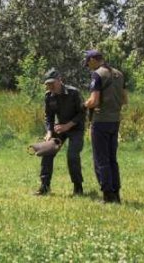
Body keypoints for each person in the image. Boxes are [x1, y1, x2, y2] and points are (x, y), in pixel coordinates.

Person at [83, 49, 126, 203]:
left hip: (100, 122)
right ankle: (116, 194)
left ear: (94, 59)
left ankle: (107, 195)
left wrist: (84, 104)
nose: (88, 66)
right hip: (115, 121)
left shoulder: (98, 75)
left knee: (101, 160)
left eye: (88, 63)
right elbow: (124, 99)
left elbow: (93, 101)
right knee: (112, 159)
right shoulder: (119, 74)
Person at [35, 67, 86, 196]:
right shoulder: (48, 96)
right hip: (59, 129)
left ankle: (78, 188)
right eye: (47, 84)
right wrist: (49, 132)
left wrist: (68, 125)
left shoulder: (74, 93)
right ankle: (44, 186)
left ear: (60, 80)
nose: (50, 86)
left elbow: (82, 113)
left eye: (52, 83)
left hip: (76, 128)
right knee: (47, 151)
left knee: (72, 156)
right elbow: (49, 116)